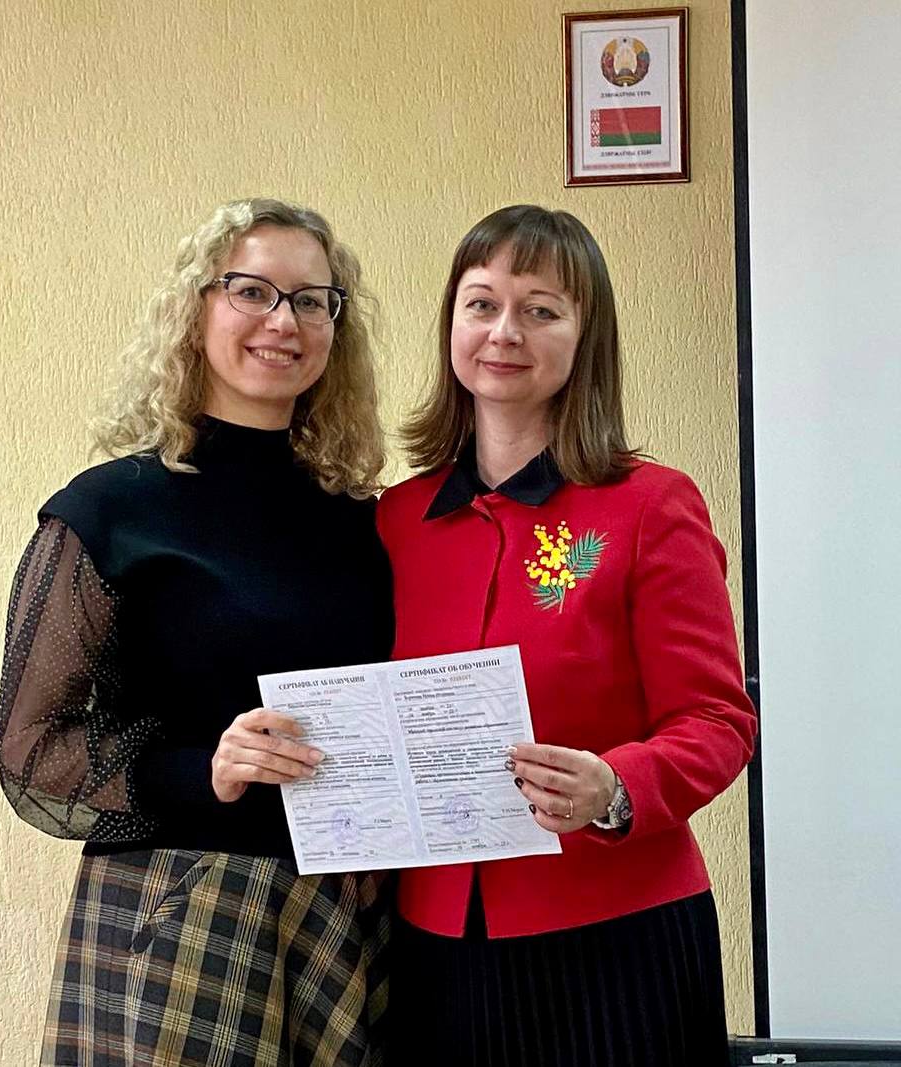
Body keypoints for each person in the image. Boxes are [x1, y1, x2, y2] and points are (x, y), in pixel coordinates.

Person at [0, 198, 394, 1067]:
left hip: (345, 916)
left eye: (312, 300)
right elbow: (30, 753)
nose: (283, 321)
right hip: (177, 911)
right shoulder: (109, 510)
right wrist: (200, 769)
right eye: (252, 291)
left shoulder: (365, 523)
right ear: (196, 307)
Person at [376, 204, 758, 1067]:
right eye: (481, 304)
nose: (505, 331)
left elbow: (718, 721)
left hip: (616, 941)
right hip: (435, 943)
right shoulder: (396, 520)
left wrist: (615, 787)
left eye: (541, 309)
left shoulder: (650, 506)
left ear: (586, 338)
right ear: (451, 325)